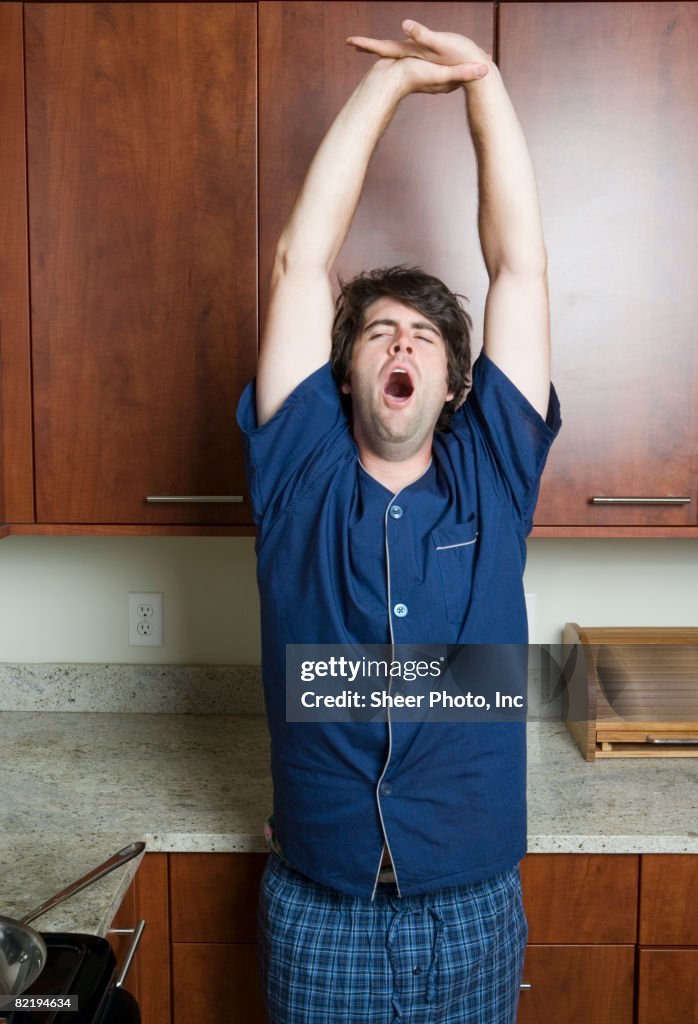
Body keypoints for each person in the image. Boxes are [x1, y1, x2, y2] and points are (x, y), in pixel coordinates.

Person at [237, 19, 561, 1024]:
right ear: (347, 373)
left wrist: (481, 88)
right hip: (318, 904)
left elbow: (518, 270)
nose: (398, 342)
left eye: (421, 333)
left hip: (470, 902)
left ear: (453, 380)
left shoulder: (491, 475)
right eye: (377, 329)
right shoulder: (299, 475)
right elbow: (300, 261)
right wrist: (384, 89)